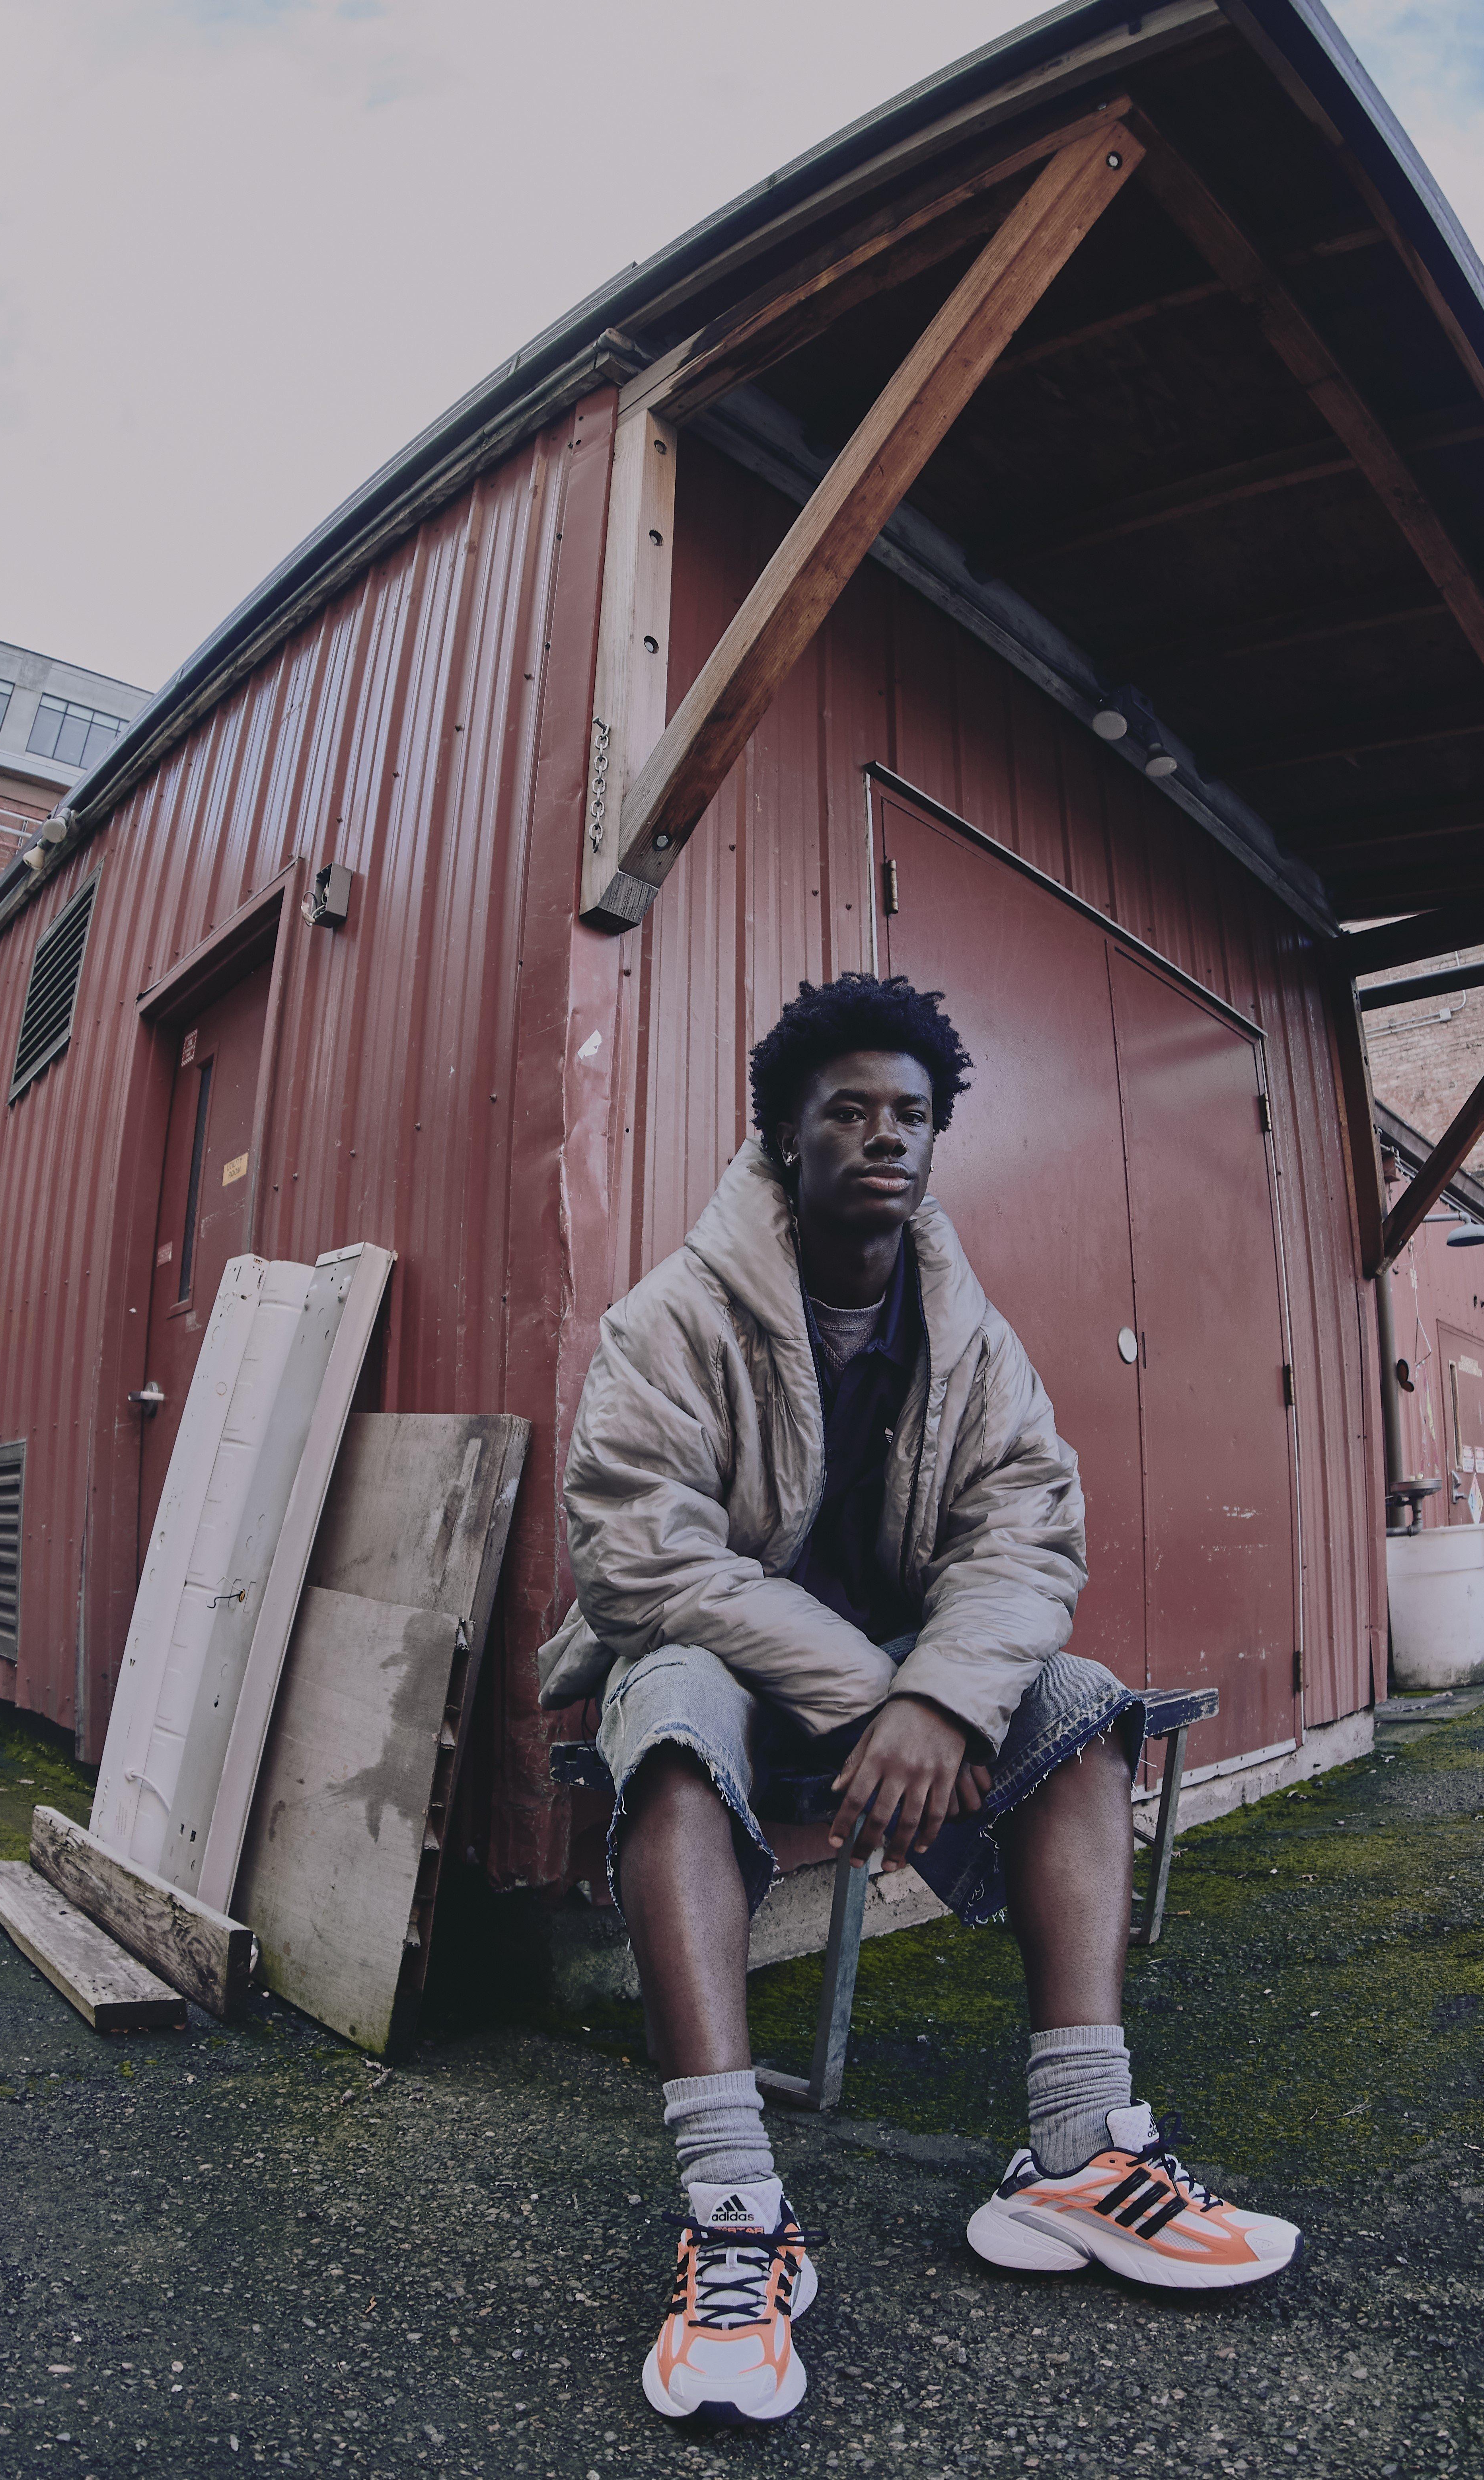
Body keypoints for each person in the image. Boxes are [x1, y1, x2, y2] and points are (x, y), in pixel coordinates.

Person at [538, 973, 1299, 2425]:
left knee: (1073, 1693)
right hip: (738, 1673)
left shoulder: (964, 1331)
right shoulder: (671, 1320)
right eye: (848, 1113)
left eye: (912, 1116)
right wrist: (886, 1690)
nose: (884, 1139)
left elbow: (1028, 1527)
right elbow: (641, 1563)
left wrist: (945, 1699)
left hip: (899, 1686)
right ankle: (735, 2211)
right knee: (677, 1707)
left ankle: (1076, 2154)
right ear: (784, 1140)